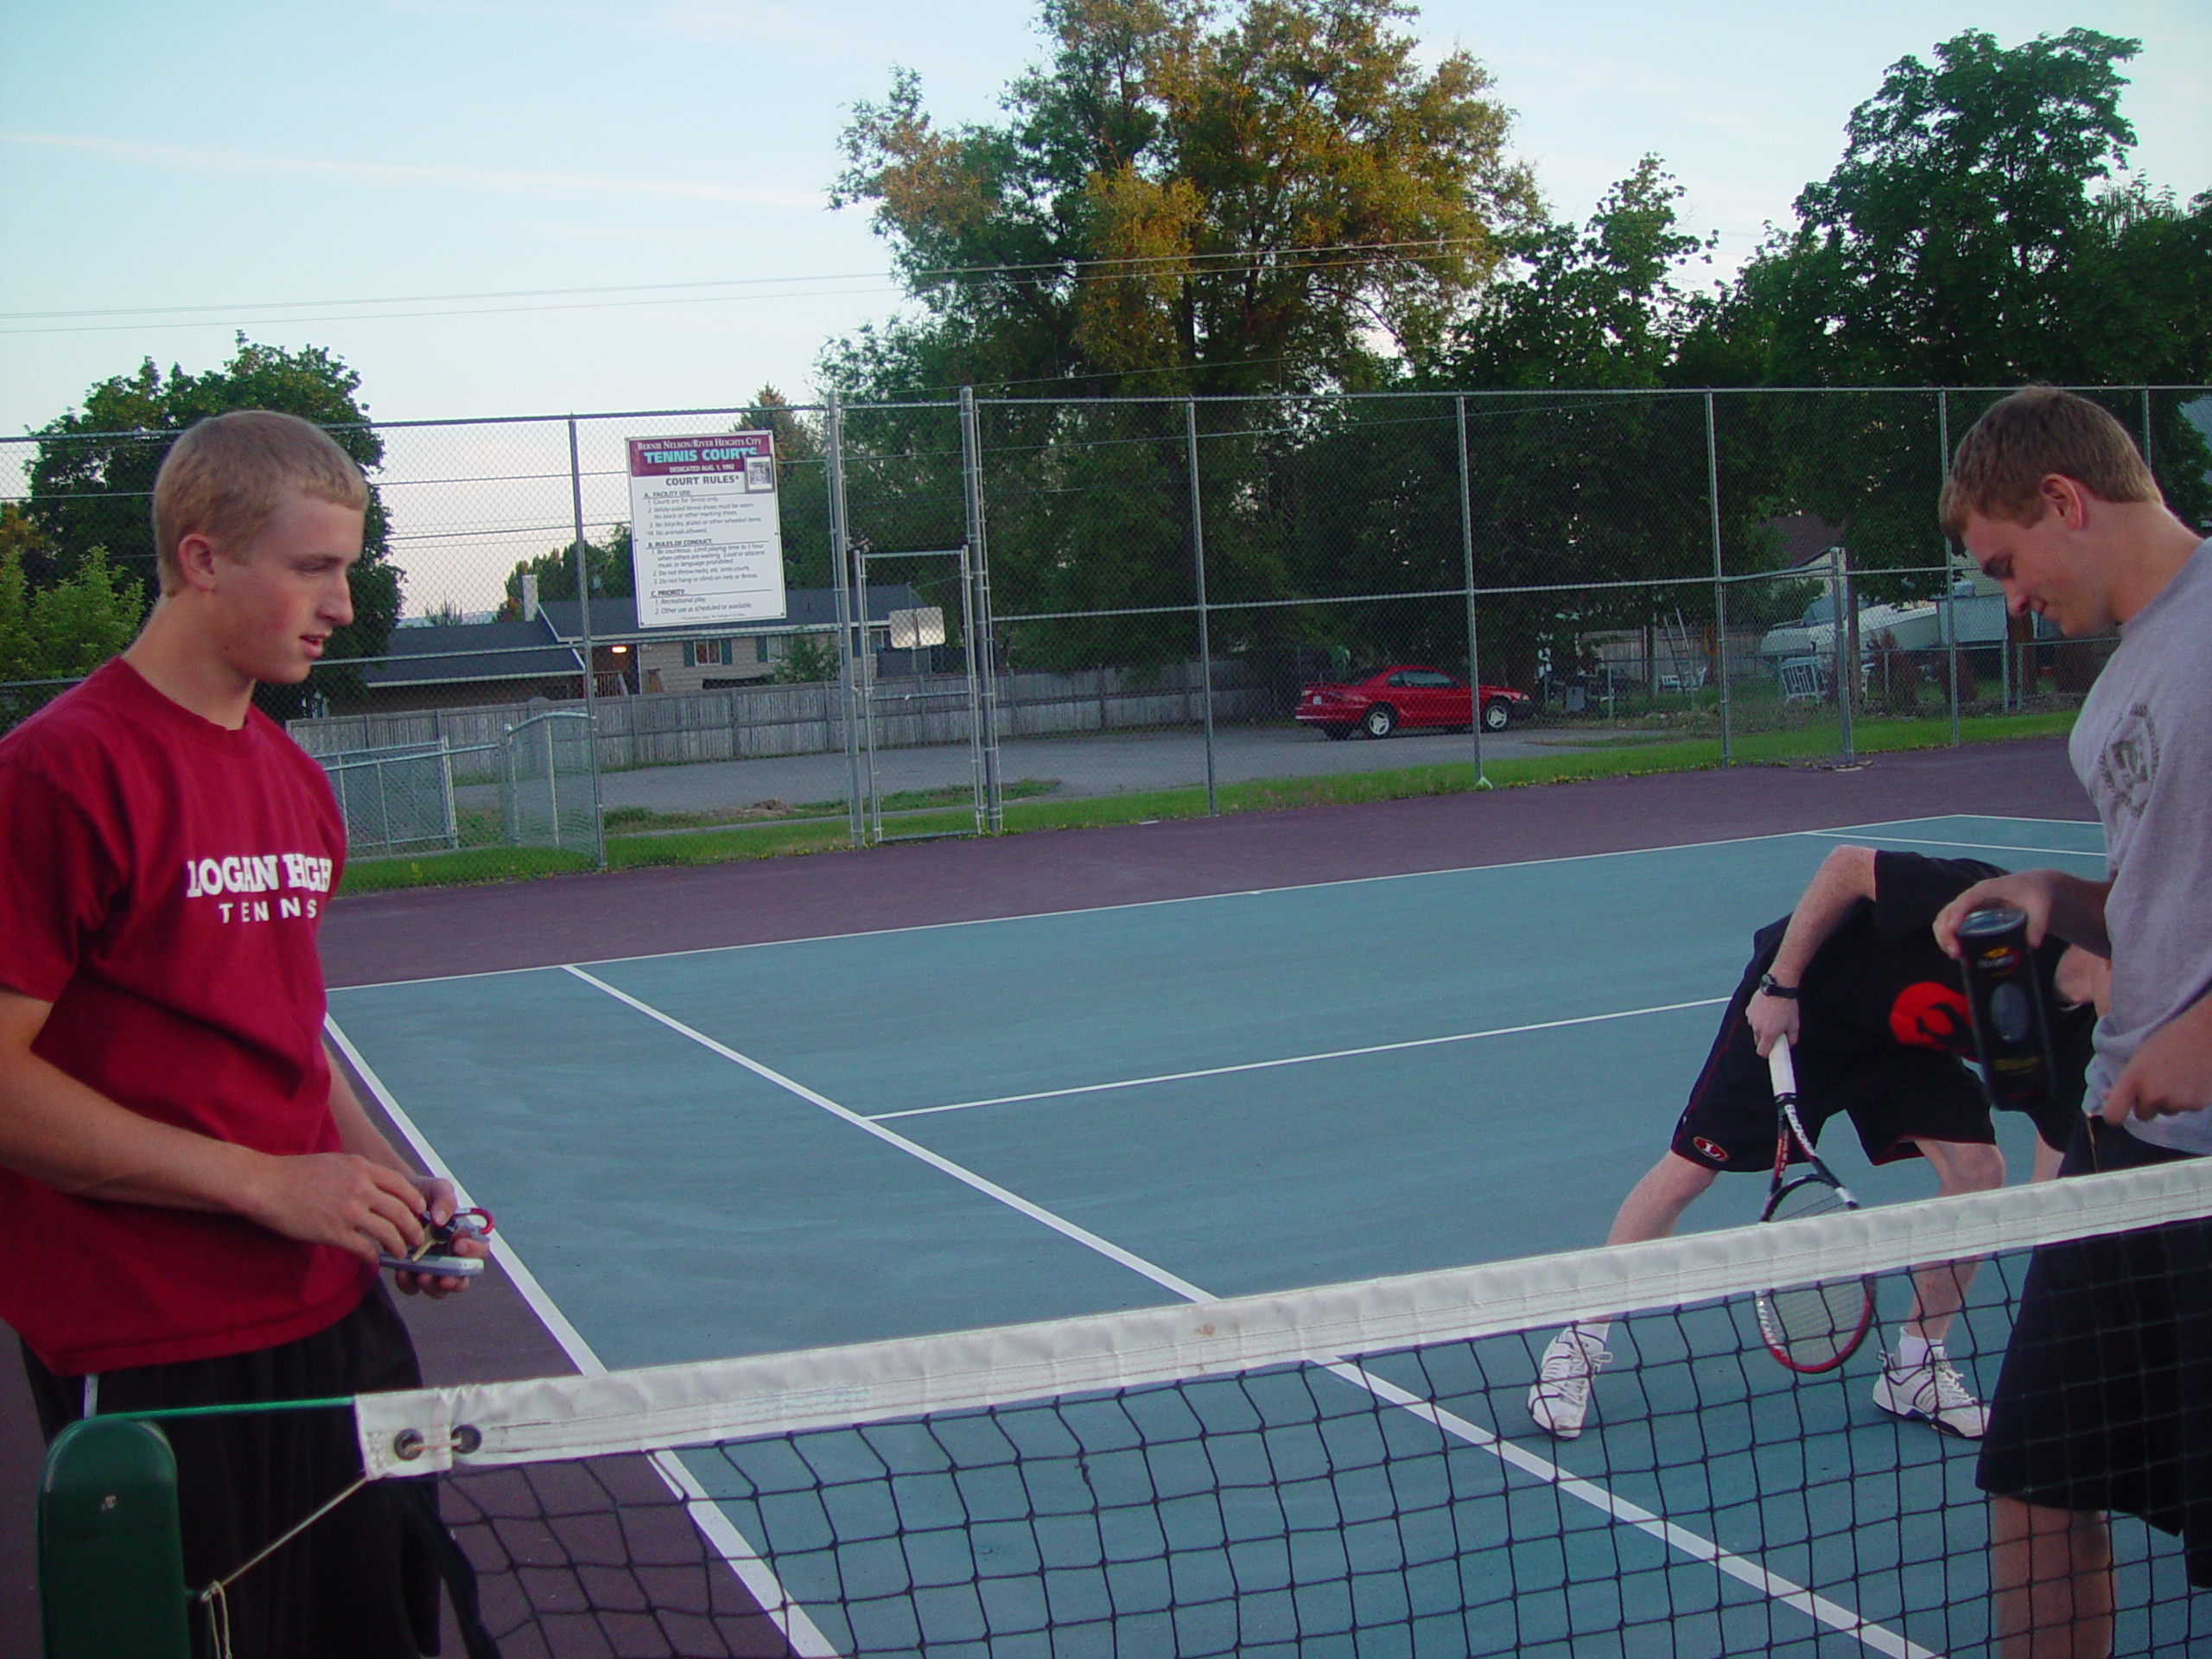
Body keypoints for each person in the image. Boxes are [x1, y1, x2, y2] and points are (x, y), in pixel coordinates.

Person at [0, 410, 486, 1657]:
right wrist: (271, 1186)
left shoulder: (289, 776)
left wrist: (385, 1187)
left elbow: (283, 1031)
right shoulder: (56, 776)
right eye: (313, 568)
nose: (343, 601)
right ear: (204, 559)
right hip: (158, 1342)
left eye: (351, 565)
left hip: (331, 1321)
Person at [1928, 385, 2212, 1658]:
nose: (2009, 598)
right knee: (2033, 1487)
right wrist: (2059, 901)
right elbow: (2169, 904)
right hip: (2123, 1160)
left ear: (2063, 499)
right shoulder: (2112, 699)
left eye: (2005, 562)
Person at [1527, 843, 2095, 1443]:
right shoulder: (1996, 908)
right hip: (1811, 1002)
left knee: (1978, 1172)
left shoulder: (2074, 1041)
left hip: (1901, 1041)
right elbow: (1847, 866)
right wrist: (1781, 985)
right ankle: (1581, 1341)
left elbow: (2048, 1185)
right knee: (1692, 1168)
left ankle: (1914, 1366)